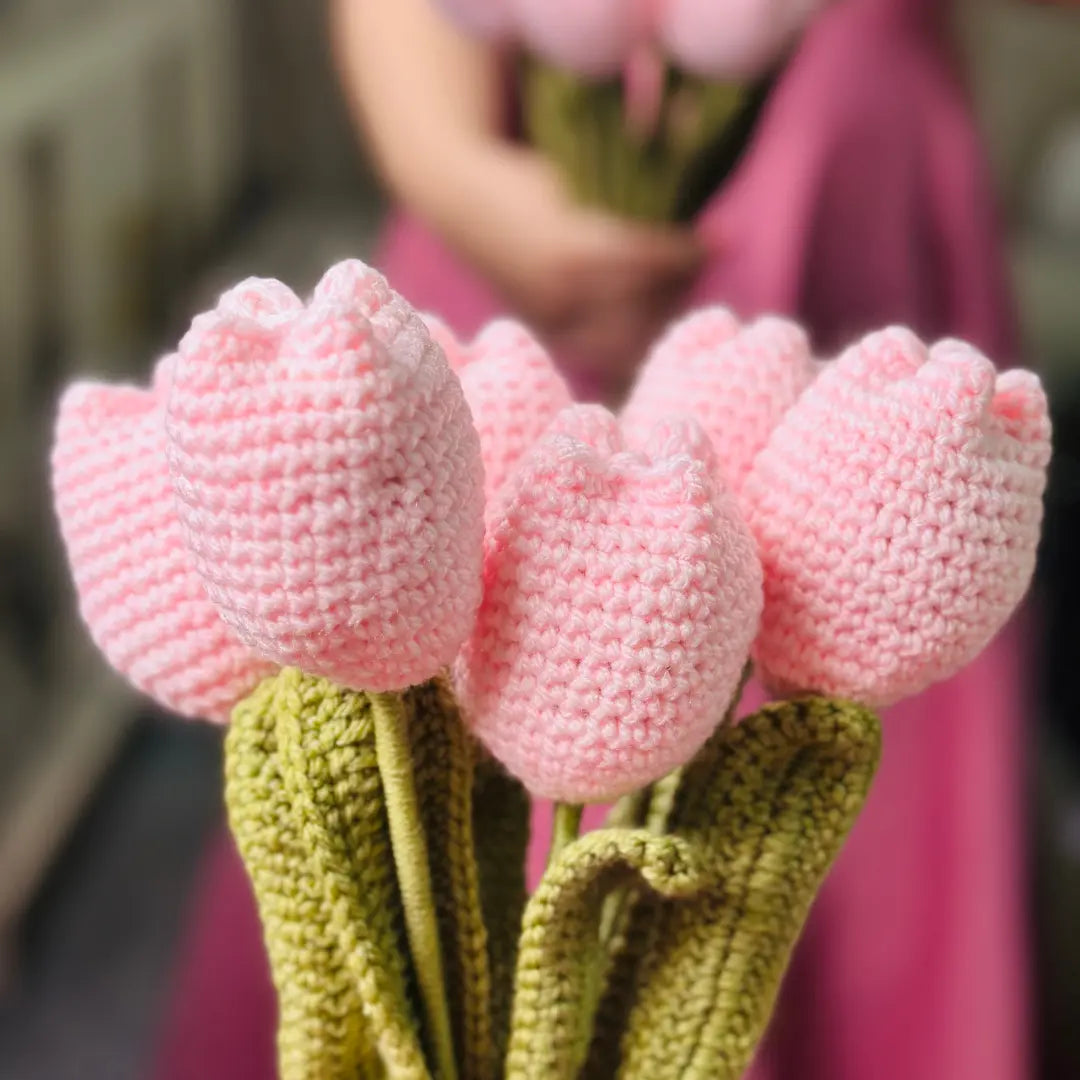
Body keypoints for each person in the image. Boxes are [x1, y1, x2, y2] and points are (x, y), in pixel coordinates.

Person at [151, 2, 1030, 1078]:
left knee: (839, 736)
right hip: (502, 224)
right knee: (406, 735)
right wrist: (449, 164)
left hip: (847, 213)